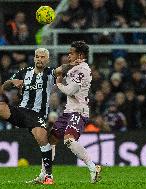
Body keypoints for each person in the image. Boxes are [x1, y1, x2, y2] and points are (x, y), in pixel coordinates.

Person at [0, 48, 68, 185]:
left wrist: (73, 63)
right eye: (37, 57)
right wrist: (12, 83)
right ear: (34, 58)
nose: (39, 59)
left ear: (47, 60)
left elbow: (60, 69)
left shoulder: (49, 73)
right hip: (21, 112)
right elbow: (4, 86)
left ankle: (48, 176)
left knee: (42, 138)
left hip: (36, 114)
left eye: (43, 57)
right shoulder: (24, 72)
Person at [44, 41, 102, 183]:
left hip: (79, 111)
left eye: (71, 53)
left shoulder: (82, 70)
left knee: (69, 140)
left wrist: (58, 83)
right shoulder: (73, 69)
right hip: (69, 111)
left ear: (80, 55)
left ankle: (93, 168)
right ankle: (45, 175)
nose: (68, 55)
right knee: (50, 140)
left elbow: (70, 90)